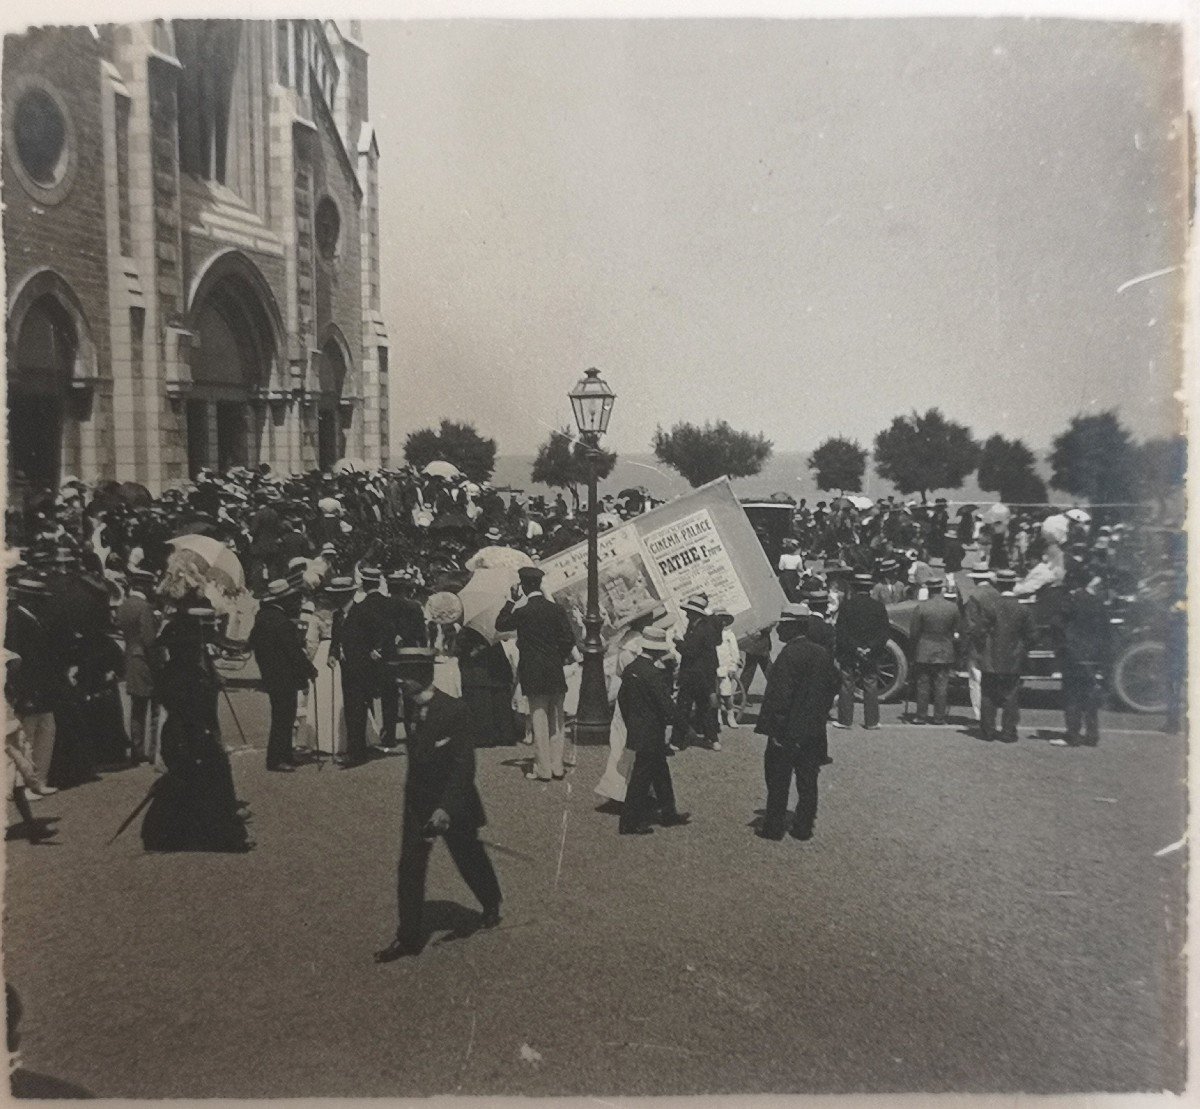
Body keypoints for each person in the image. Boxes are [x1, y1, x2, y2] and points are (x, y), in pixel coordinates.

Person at [375, 647, 502, 962]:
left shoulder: (455, 711)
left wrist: (445, 809)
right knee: (410, 865)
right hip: (417, 802)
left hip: (453, 802)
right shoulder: (410, 702)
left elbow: (464, 768)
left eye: (404, 674)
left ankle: (490, 903)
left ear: (421, 675)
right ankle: (408, 939)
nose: (399, 681)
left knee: (469, 856)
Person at [142, 605, 250, 852]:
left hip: (180, 733)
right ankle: (219, 834)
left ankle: (188, 830)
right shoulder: (187, 675)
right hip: (190, 734)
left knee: (193, 782)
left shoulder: (171, 672)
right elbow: (195, 707)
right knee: (212, 778)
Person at [754, 603, 840, 841]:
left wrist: (776, 729)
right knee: (808, 780)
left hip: (787, 730)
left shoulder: (789, 655)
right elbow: (834, 684)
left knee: (778, 780)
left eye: (783, 625)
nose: (779, 630)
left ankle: (774, 827)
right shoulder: (822, 653)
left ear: (793, 628)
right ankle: (803, 827)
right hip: (813, 729)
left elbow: (780, 696)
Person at [494, 566, 577, 781]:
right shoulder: (556, 609)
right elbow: (569, 639)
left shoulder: (523, 612)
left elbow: (501, 624)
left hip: (533, 671)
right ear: (539, 584)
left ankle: (543, 769)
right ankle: (557, 766)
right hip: (554, 669)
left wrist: (511, 601)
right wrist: (558, 656)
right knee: (557, 720)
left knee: (539, 719)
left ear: (523, 586)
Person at [617, 627, 690, 834]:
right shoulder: (652, 674)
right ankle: (629, 822)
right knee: (641, 778)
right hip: (651, 731)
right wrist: (682, 725)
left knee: (660, 772)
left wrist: (632, 721)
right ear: (657, 651)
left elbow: (623, 700)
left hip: (638, 729)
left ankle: (669, 812)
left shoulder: (631, 669)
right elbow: (665, 704)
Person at [249, 578, 318, 771]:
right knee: (284, 718)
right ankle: (277, 758)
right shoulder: (282, 623)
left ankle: (285, 754)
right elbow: (294, 652)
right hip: (284, 675)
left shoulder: (262, 617)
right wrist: (309, 669)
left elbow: (253, 642)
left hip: (269, 674)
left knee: (281, 716)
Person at [331, 566, 391, 768]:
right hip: (346, 669)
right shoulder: (338, 616)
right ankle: (354, 749)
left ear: (348, 594)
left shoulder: (362, 612)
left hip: (362, 668)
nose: (336, 599)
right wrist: (332, 654)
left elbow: (383, 630)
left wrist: (377, 650)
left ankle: (357, 753)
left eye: (340, 595)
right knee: (350, 709)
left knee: (357, 709)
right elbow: (336, 639)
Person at [1049, 568, 1110, 747]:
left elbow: (1056, 624)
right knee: (1090, 696)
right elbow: (1106, 631)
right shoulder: (1098, 602)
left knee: (1072, 696)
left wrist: (1060, 647)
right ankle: (1092, 735)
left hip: (1073, 654)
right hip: (1093, 655)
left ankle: (1072, 734)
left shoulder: (1071, 600)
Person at [978, 569, 1036, 742]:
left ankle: (987, 731)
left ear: (998, 585)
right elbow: (1032, 636)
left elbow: (979, 631)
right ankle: (1008, 732)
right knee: (1011, 696)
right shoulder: (1023, 609)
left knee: (988, 695)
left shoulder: (990, 606)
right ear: (1014, 584)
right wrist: (1022, 648)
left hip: (991, 658)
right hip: (1013, 659)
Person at [115, 568, 160, 766]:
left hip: (131, 658)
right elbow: (149, 640)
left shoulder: (123, 605)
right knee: (155, 709)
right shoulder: (145, 608)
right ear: (145, 586)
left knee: (137, 709)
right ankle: (153, 751)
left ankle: (136, 748)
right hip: (146, 661)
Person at [833, 573, 889, 730]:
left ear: (854, 588)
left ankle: (845, 720)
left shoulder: (846, 606)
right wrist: (869, 647)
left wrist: (855, 647)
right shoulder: (878, 607)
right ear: (870, 588)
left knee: (847, 684)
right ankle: (872, 721)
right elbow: (884, 632)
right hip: (871, 652)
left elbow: (841, 631)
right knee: (870, 684)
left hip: (849, 651)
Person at [669, 593, 722, 752]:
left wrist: (678, 642)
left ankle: (677, 741)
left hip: (693, 675)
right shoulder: (705, 627)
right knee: (705, 708)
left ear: (694, 614)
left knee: (683, 708)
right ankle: (712, 739)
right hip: (703, 676)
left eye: (689, 612)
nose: (686, 614)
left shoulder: (699, 630)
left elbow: (690, 651)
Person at [908, 575, 961, 725]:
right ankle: (939, 717)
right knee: (941, 685)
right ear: (941, 589)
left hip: (924, 648)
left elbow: (914, 632)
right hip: (945, 648)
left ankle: (921, 716)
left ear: (929, 589)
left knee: (923, 684)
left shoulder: (921, 607)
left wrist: (913, 650)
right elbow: (957, 630)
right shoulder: (952, 607)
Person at [963, 568, 1000, 723]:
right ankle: (993, 713)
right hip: (996, 643)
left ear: (975, 580)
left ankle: (980, 714)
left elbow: (970, 625)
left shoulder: (974, 597)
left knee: (975, 680)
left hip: (978, 645)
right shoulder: (997, 595)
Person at [714, 607, 742, 728]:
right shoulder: (711, 634)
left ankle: (730, 716)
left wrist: (733, 667)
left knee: (726, 694)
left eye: (723, 620)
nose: (722, 622)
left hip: (725, 668)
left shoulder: (729, 635)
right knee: (715, 694)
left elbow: (734, 652)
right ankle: (717, 715)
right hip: (713, 668)